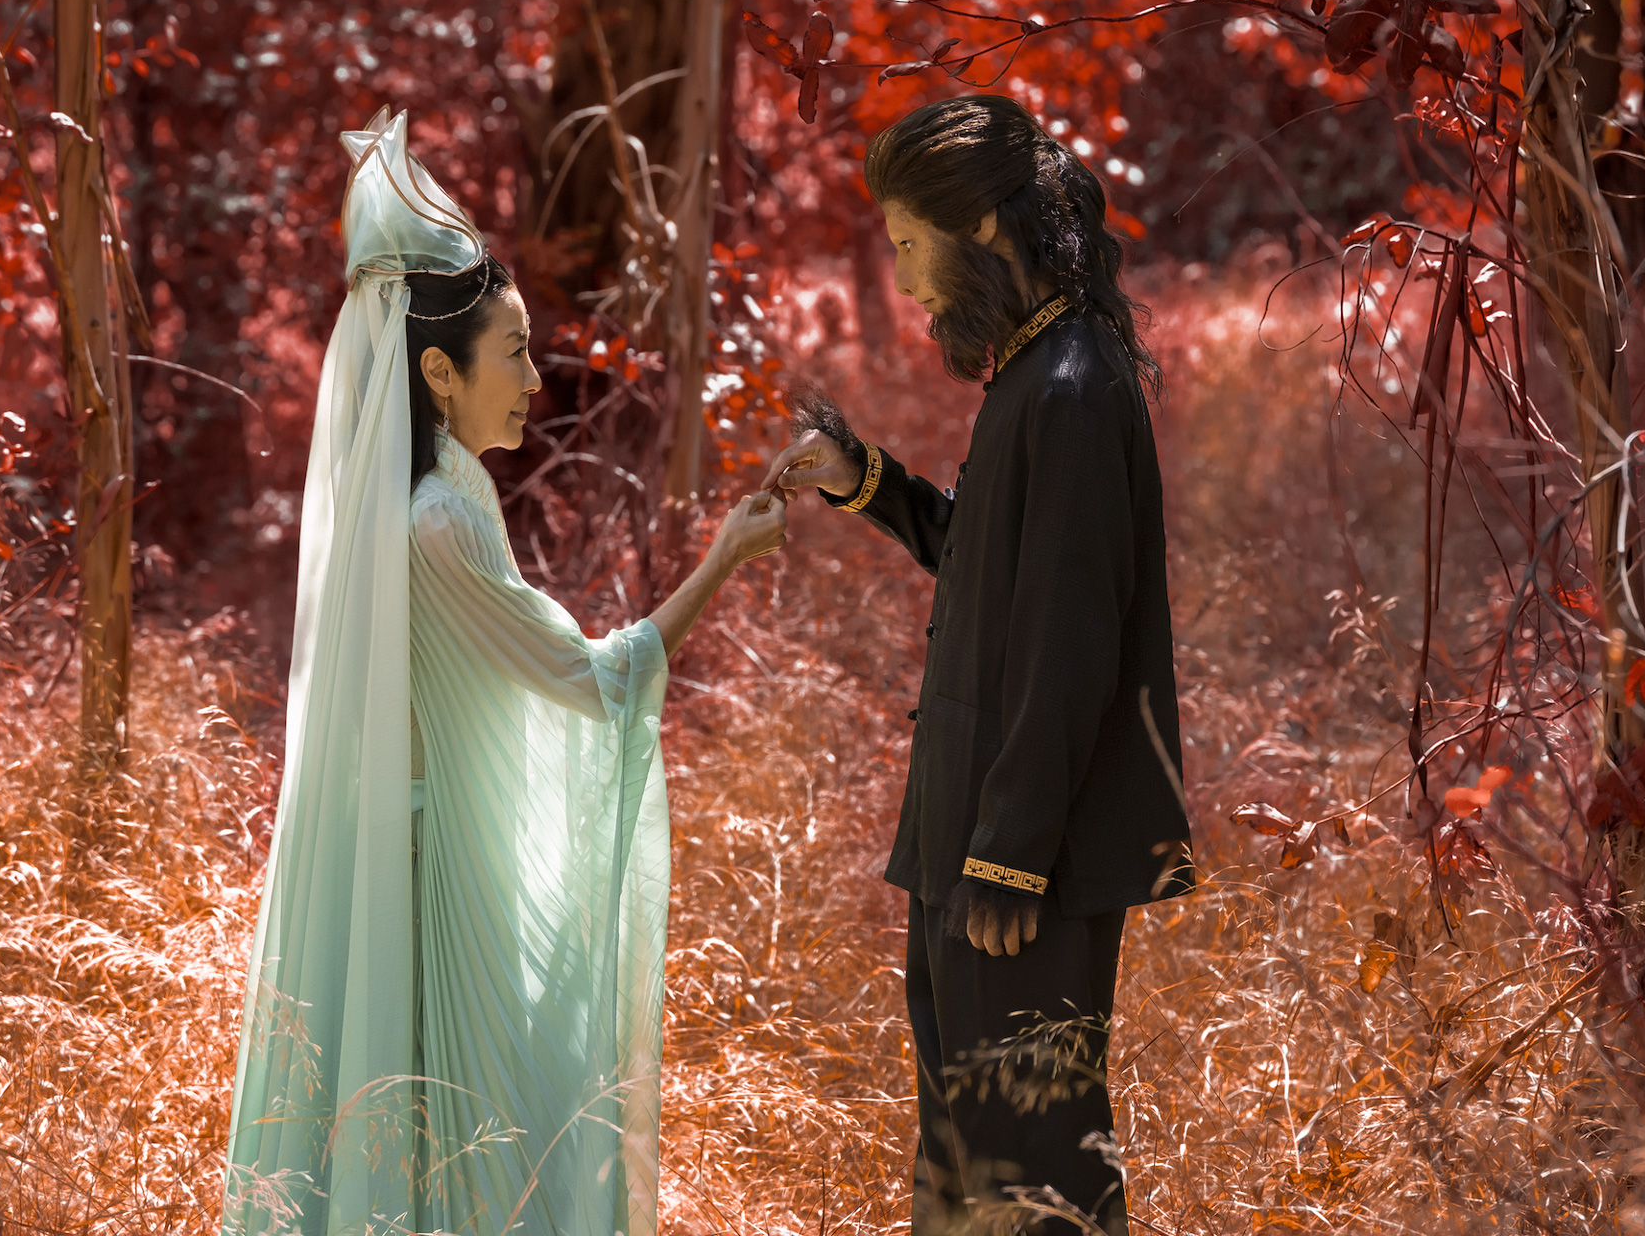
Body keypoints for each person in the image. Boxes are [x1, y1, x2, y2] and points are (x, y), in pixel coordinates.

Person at [221, 107, 787, 1236]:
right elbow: (589, 679)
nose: (538, 372)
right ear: (437, 370)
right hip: (437, 881)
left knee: (448, 1160)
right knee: (476, 1165)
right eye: (516, 350)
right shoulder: (439, 520)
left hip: (429, 847)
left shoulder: (441, 496)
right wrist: (725, 554)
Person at [761, 95, 1196, 1236]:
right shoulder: (1034, 370)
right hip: (972, 825)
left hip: (1020, 857)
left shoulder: (1069, 387)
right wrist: (867, 482)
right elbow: (995, 570)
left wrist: (1010, 856)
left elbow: (1072, 642)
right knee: (964, 1141)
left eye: (910, 243)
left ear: (985, 230)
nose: (905, 280)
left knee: (1036, 1163)